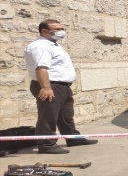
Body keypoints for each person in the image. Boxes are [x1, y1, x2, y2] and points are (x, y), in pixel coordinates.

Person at [24, 20, 98, 154]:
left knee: (65, 115)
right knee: (48, 116)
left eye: (62, 28)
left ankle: (73, 138)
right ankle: (47, 145)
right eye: (57, 29)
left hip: (61, 86)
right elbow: (41, 68)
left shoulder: (53, 45)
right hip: (50, 84)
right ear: (44, 31)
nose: (61, 31)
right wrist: (46, 88)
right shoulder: (41, 46)